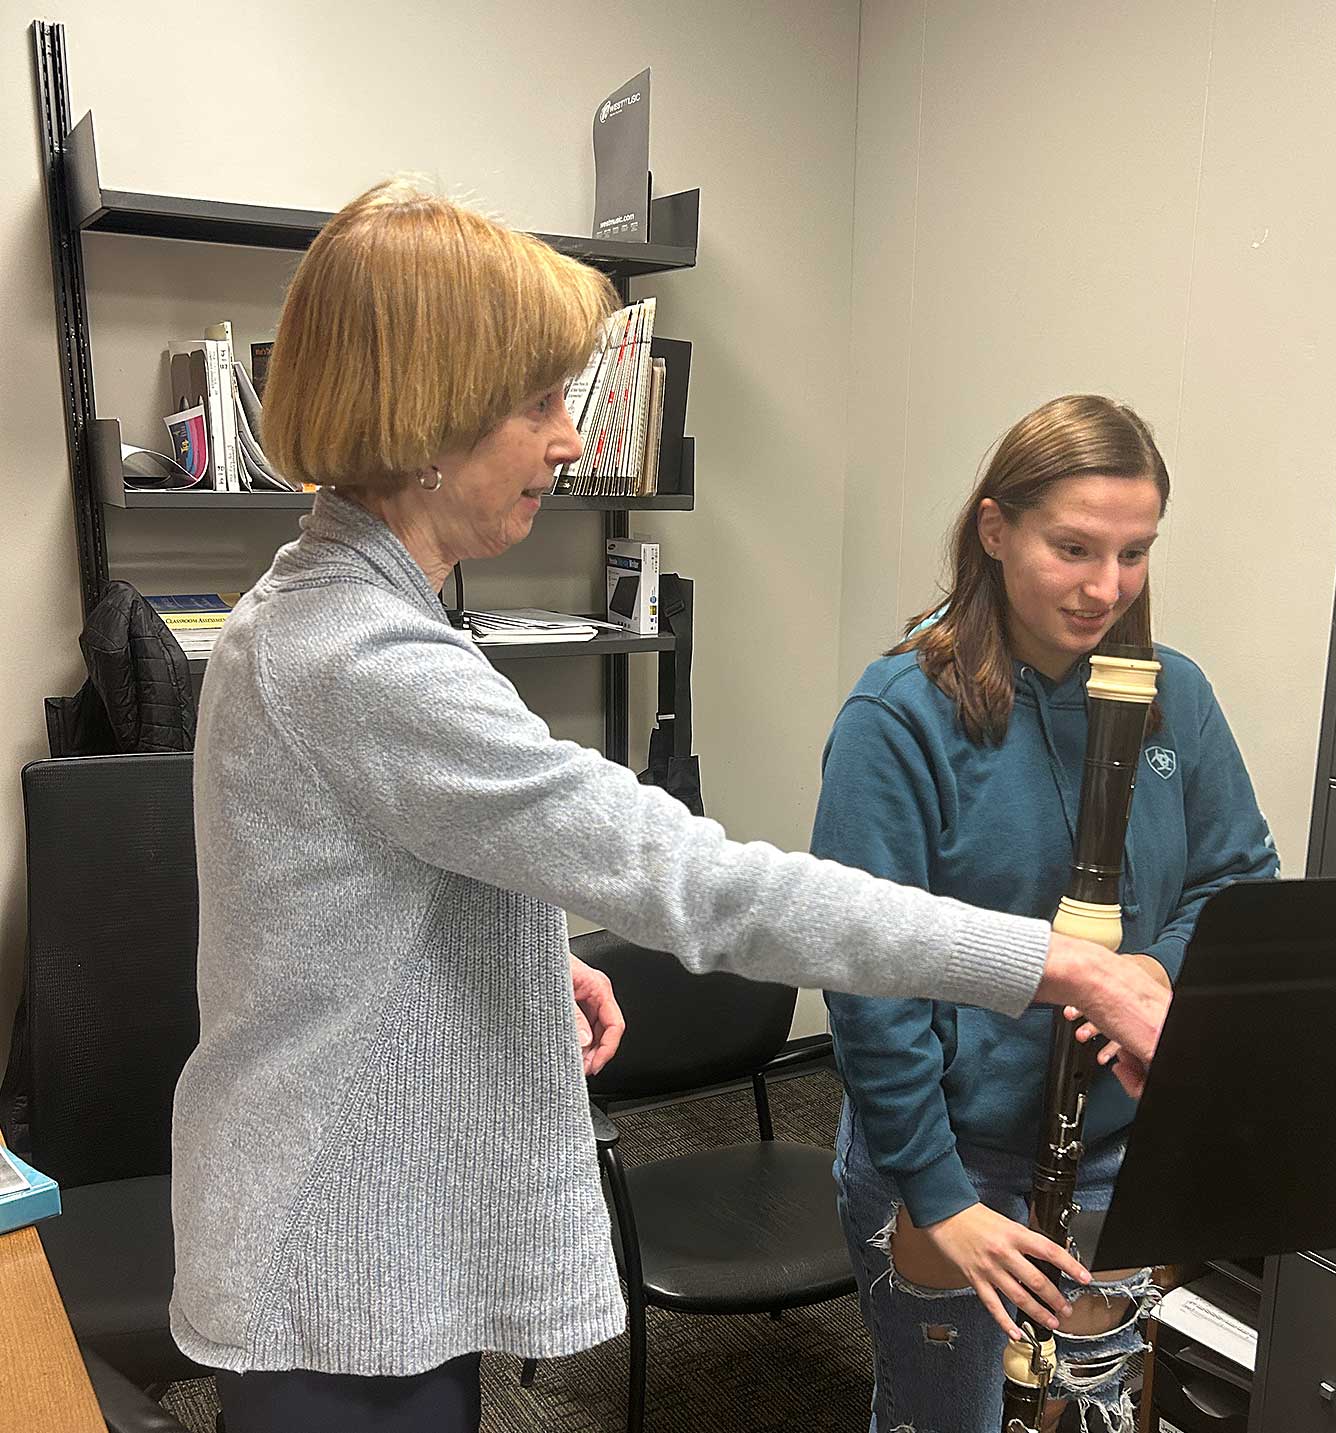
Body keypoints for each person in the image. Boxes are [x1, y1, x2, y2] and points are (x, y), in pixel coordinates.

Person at [166, 188, 1170, 1433]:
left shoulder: (324, 606)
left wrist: (528, 955)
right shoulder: (363, 656)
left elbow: (347, 889)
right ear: (429, 415)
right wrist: (1060, 963)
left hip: (359, 1222)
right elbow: (699, 882)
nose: (567, 439)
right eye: (540, 402)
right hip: (336, 1244)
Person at [813, 395, 1279, 1433]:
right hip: (949, 1150)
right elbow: (867, 975)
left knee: (1086, 1406)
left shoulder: (1174, 694)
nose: (1105, 587)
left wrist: (1150, 969)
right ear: (994, 529)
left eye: (1132, 553)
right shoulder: (899, 716)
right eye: (1072, 548)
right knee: (948, 1417)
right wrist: (937, 1194)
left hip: (1116, 1146)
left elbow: (1238, 878)